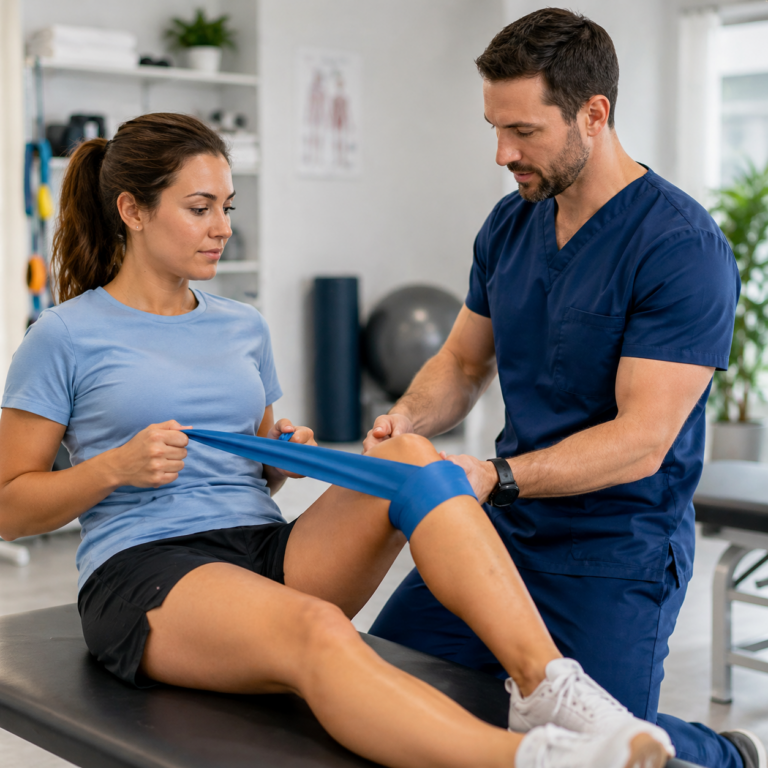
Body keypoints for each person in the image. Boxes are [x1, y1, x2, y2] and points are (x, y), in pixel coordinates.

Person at [0, 113, 673, 768]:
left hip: (260, 545)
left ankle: (544, 684)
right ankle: (530, 761)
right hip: (144, 570)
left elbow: (244, 470)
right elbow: (9, 506)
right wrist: (112, 469)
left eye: (228, 207)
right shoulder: (64, 336)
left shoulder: (241, 326)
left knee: (413, 458)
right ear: (133, 210)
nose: (223, 229)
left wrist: (278, 456)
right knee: (321, 631)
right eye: (200, 208)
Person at [364, 10, 764, 768]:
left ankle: (722, 756)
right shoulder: (509, 226)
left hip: (616, 550)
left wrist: (494, 475)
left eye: (522, 131)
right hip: (505, 536)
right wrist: (405, 420)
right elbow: (462, 363)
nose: (501, 153)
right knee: (378, 691)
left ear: (594, 113)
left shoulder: (681, 248)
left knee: (592, 749)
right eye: (493, 128)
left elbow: (643, 441)